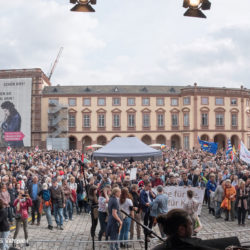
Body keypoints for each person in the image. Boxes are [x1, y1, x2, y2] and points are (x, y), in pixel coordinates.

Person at [152, 209, 223, 250]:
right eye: (191, 224)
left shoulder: (157, 248)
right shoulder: (194, 246)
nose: (192, 227)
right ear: (182, 229)